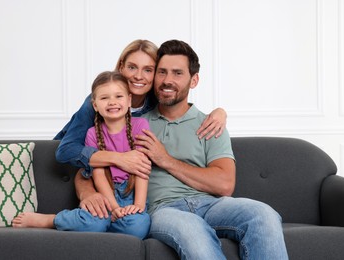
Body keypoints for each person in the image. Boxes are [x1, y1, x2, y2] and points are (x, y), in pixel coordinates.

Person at [132, 40, 288, 259]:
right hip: (163, 210)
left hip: (211, 205)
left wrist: (165, 159)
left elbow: (224, 184)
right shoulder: (135, 125)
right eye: (162, 72)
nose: (167, 80)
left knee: (263, 214)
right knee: (192, 228)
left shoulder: (210, 124)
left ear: (193, 80)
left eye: (177, 73)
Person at [55, 39, 228, 218]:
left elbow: (179, 106)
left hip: (116, 180)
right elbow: (66, 151)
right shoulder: (101, 100)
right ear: (121, 67)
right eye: (132, 67)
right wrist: (119, 160)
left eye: (148, 70)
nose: (138, 76)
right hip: (75, 165)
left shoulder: (154, 103)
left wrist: (220, 112)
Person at [12, 71, 150, 239]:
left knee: (138, 226)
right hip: (106, 194)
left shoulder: (141, 125)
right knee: (96, 221)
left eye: (118, 96)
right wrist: (114, 208)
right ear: (95, 105)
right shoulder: (92, 133)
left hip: (132, 196)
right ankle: (53, 220)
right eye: (104, 98)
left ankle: (104, 225)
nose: (112, 102)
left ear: (129, 100)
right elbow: (98, 174)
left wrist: (138, 206)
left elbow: (142, 170)